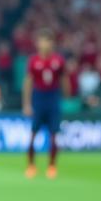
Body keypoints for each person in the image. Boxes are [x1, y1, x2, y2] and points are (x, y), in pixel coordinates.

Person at [22, 30, 69, 179]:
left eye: (48, 41)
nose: (45, 44)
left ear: (52, 43)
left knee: (54, 135)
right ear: (38, 43)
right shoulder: (33, 61)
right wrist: (27, 104)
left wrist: (67, 96)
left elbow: (64, 79)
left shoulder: (58, 61)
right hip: (39, 97)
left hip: (53, 97)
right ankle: (31, 165)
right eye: (43, 41)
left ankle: (52, 166)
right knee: (32, 134)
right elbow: (28, 82)